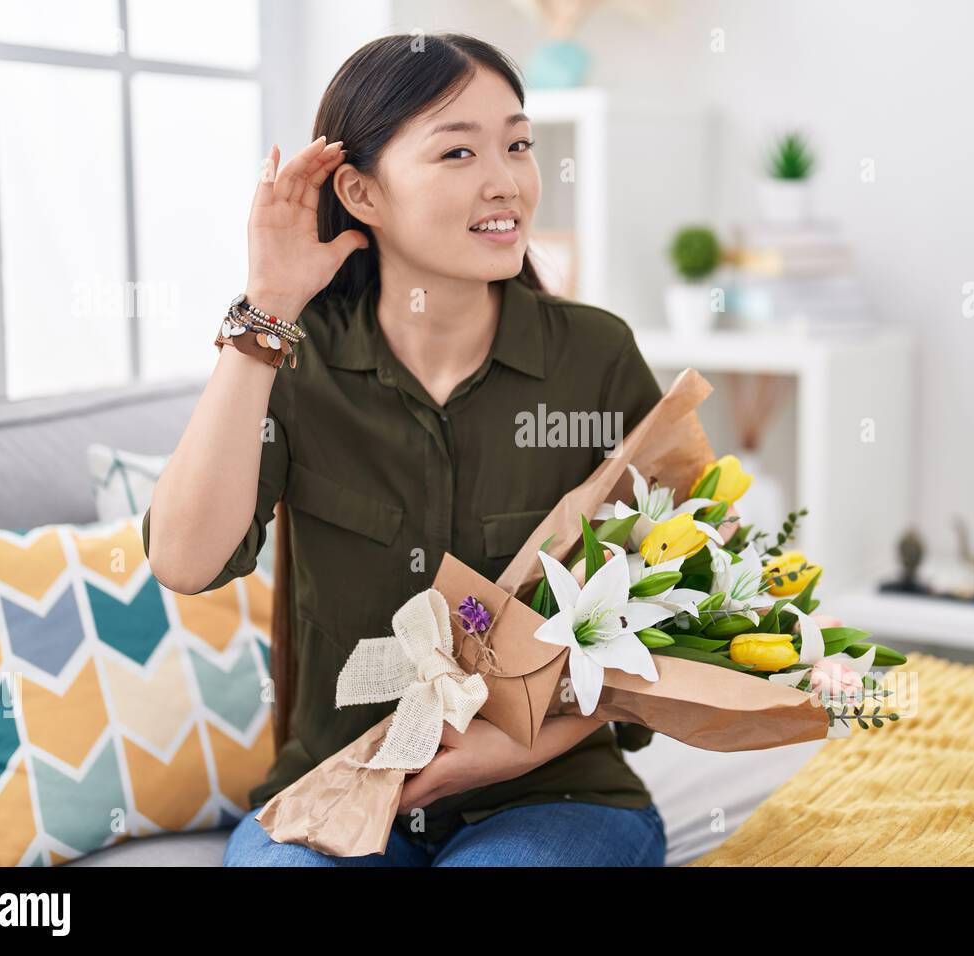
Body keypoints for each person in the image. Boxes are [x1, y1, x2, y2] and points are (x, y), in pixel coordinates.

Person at [143, 32, 667, 867]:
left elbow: (674, 609)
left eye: (518, 144)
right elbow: (182, 559)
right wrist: (266, 309)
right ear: (361, 192)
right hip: (337, 789)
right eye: (457, 150)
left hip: (555, 798)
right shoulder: (295, 361)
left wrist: (521, 747)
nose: (506, 181)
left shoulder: (595, 359)